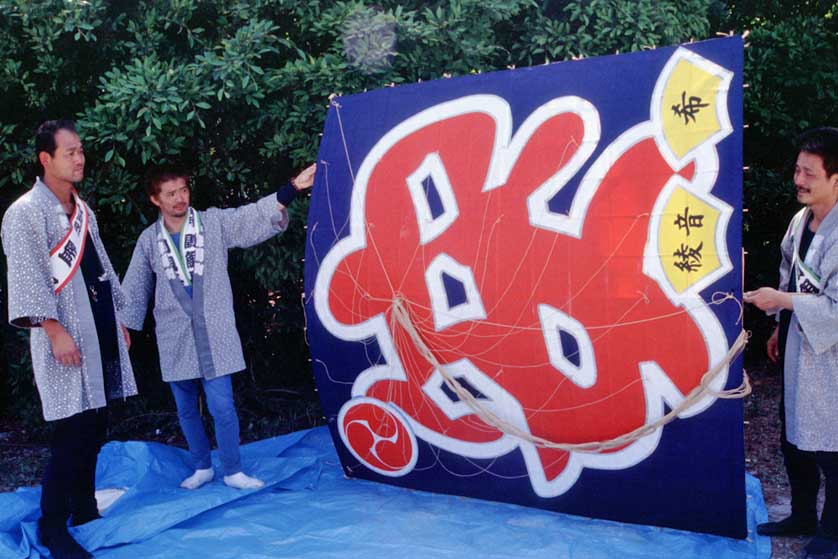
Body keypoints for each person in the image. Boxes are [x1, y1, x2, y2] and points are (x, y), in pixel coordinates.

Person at [121, 162, 315, 490]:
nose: (180, 198)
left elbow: (250, 217)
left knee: (222, 406)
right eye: (171, 194)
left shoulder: (212, 223)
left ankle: (233, 469)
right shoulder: (148, 240)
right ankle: (201, 466)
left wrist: (292, 187)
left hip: (215, 329)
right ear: (156, 199)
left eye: (183, 190)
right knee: (185, 410)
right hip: (174, 334)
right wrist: (123, 325)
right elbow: (135, 287)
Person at [1, 120, 137, 559]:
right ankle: (52, 525)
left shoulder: (83, 210)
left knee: (95, 423)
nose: (79, 159)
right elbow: (25, 278)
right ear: (46, 159)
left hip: (97, 330)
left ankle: (84, 506)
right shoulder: (24, 212)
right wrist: (54, 330)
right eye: (70, 152)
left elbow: (102, 265)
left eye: (81, 151)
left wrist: (117, 318)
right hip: (63, 335)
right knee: (71, 431)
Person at [744, 127, 838, 558]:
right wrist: (780, 324)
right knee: (794, 435)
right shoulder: (800, 222)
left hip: (832, 355)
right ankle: (802, 514)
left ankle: (832, 531)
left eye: (809, 173)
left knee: (832, 444)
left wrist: (783, 301)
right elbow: (790, 272)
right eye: (797, 170)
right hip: (801, 345)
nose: (798, 180)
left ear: (835, 178)